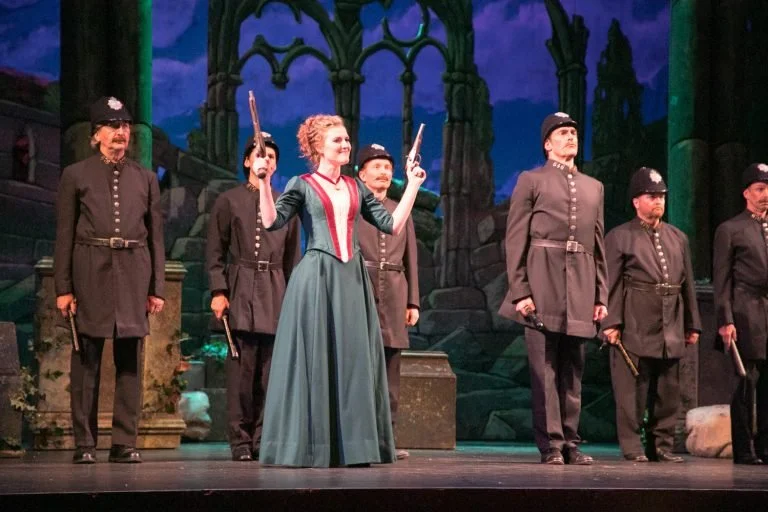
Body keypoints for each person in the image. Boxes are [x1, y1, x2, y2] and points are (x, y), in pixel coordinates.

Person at [255, 114, 426, 467]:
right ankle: (312, 446)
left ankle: (355, 446)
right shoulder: (301, 184)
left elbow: (392, 225)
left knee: (353, 360)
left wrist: (411, 185)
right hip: (317, 276)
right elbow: (272, 222)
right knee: (317, 356)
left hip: (351, 279)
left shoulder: (355, 187)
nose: (346, 145)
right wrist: (264, 182)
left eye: (347, 140)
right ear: (318, 147)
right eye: (338, 141)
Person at [54, 96, 165, 464]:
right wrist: (64, 287)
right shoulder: (76, 175)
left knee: (130, 361)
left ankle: (123, 442)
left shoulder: (146, 178)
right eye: (113, 127)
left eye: (125, 127)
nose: (121, 133)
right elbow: (64, 235)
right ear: (96, 133)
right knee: (86, 362)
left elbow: (156, 237)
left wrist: (156, 288)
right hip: (91, 271)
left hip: (134, 272)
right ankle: (85, 444)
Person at [498, 112, 608, 465]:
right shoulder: (531, 180)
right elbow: (515, 239)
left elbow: (598, 244)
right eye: (562, 133)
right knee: (544, 369)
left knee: (573, 367)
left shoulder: (594, 187)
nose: (570, 138)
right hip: (542, 280)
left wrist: (600, 295)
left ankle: (572, 442)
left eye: (574, 132)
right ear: (548, 143)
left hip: (580, 283)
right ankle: (551, 445)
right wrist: (520, 291)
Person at [206, 133, 300, 461]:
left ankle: (263, 439)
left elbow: (292, 259)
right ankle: (241, 441)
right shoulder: (228, 200)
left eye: (272, 157)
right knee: (241, 375)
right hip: (241, 287)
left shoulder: (286, 202)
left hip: (275, 292)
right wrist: (219, 291)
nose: (267, 161)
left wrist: (293, 298)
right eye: (261, 156)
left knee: (269, 375)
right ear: (248, 161)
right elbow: (215, 252)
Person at [602, 167, 701, 463]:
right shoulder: (620, 236)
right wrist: (611, 323)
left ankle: (662, 446)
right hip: (634, 323)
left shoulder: (677, 237)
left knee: (668, 391)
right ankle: (633, 447)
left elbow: (688, 284)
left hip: (671, 323)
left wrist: (692, 323)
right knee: (632, 392)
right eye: (651, 196)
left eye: (661, 197)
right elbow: (611, 283)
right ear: (636, 201)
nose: (658, 201)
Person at [355, 143, 420, 460]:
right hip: (361, 290)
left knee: (391, 374)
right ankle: (360, 439)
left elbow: (412, 259)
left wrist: (414, 302)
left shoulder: (401, 209)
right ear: (361, 173)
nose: (383, 172)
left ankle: (388, 440)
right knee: (361, 371)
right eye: (376, 166)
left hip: (395, 294)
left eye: (388, 167)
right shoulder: (352, 209)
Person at [713, 162, 768, 465]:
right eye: (760, 189)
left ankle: (766, 445)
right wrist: (726, 320)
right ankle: (745, 449)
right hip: (745, 314)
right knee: (745, 383)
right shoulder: (731, 229)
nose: (765, 195)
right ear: (746, 193)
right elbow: (722, 280)